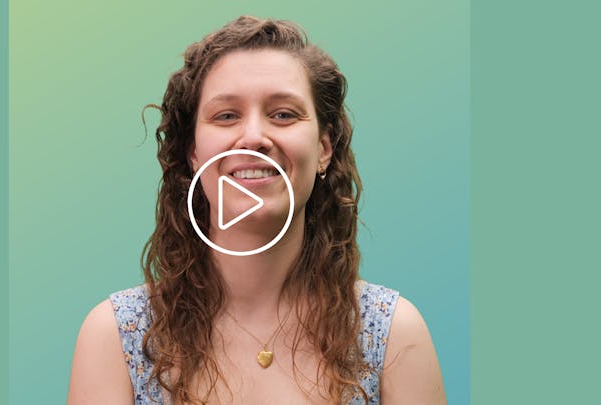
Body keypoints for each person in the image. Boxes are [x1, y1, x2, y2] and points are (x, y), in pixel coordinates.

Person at [68, 16, 445, 404]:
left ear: (324, 149)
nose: (253, 138)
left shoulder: (393, 334)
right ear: (193, 152)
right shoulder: (115, 337)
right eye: (226, 115)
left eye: (283, 114)